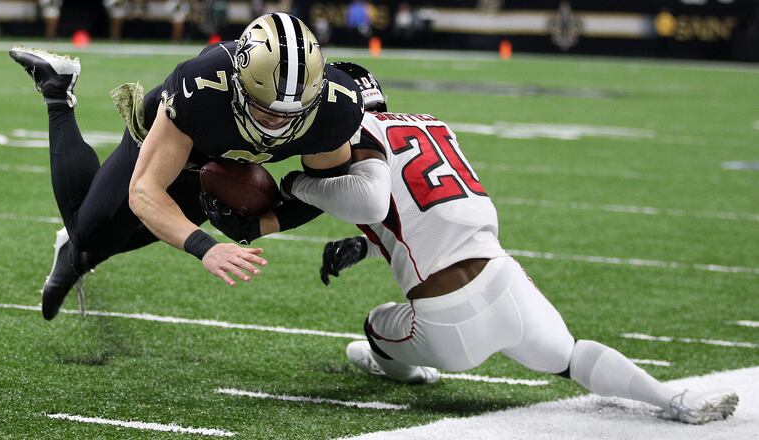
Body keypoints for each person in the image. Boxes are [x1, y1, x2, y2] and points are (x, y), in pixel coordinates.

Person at [218, 62, 739, 424]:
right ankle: (673, 398)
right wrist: (364, 246)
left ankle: (406, 370)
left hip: (445, 319)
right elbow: (426, 210)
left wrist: (295, 185)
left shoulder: (356, 134)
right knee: (571, 357)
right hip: (504, 277)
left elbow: (372, 202)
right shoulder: (431, 124)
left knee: (376, 328)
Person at [9, 13, 364, 321]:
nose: (277, 123)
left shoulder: (335, 110)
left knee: (162, 226)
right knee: (90, 233)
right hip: (178, 138)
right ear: (240, 84)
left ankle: (79, 259)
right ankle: (58, 90)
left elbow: (327, 190)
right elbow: (145, 191)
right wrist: (206, 248)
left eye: (291, 113)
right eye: (266, 109)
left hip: (220, 161)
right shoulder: (200, 89)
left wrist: (262, 224)